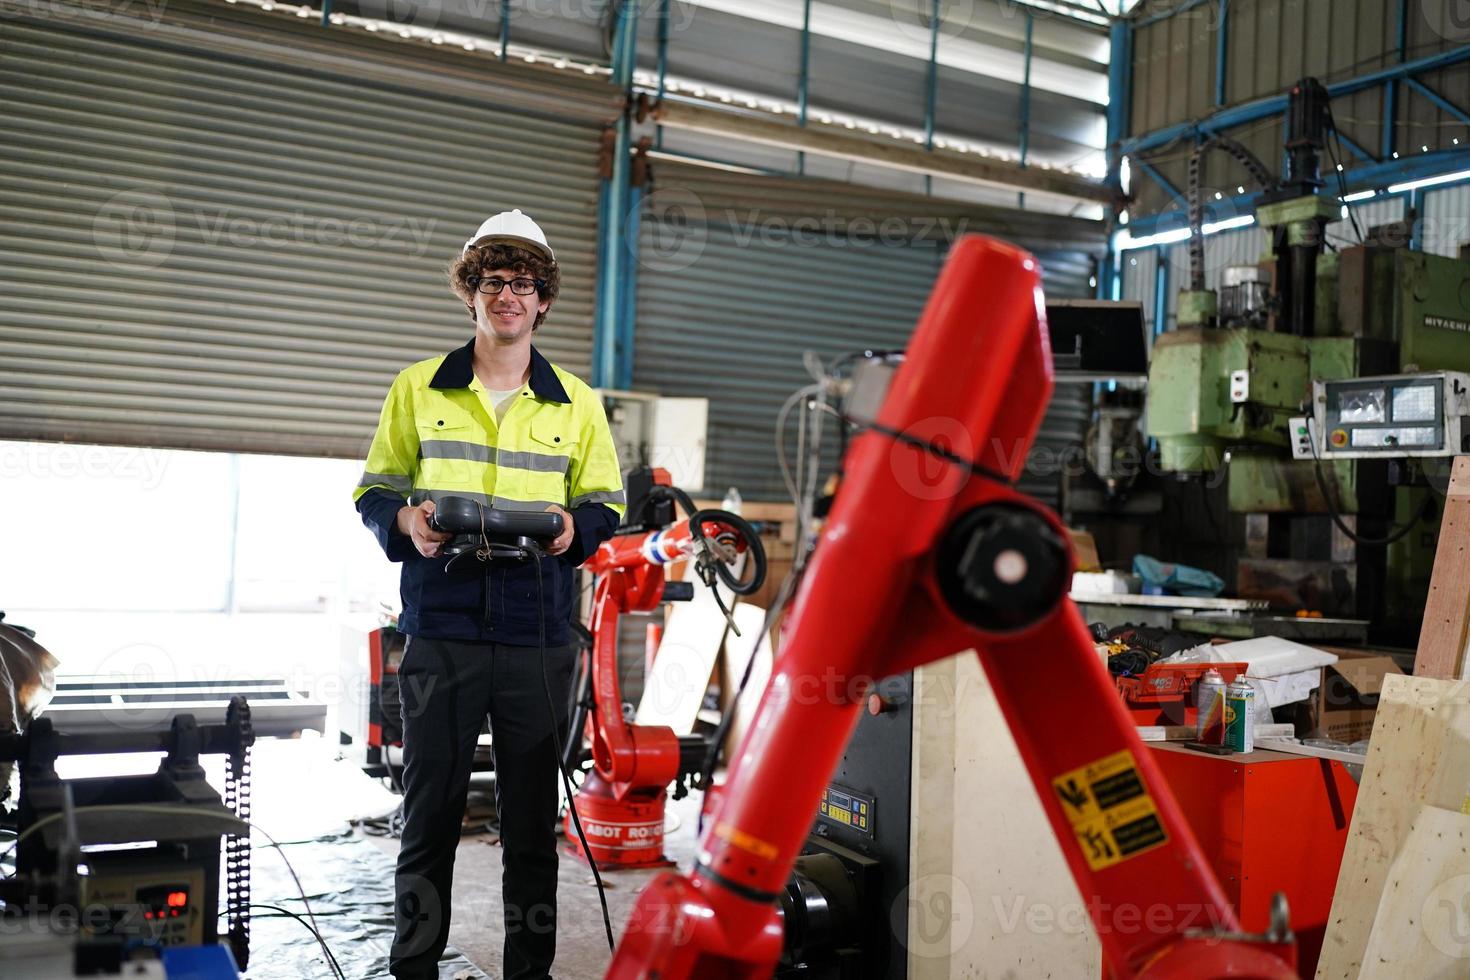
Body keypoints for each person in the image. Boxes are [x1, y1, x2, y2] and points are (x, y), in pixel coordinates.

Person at [353, 209, 624, 980]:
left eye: (525, 283)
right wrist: (405, 517)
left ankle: (527, 974)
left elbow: (604, 505)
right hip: (442, 625)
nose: (509, 295)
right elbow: (375, 488)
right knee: (429, 813)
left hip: (536, 633)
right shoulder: (417, 389)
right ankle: (414, 967)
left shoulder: (576, 401)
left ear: (543, 301)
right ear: (470, 293)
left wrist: (577, 528)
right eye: (494, 280)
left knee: (533, 824)